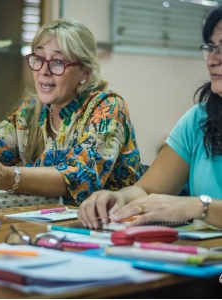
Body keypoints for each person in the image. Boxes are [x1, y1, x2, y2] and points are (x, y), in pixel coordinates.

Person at [0, 18, 144, 206]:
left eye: (57, 62)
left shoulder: (107, 107)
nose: (44, 70)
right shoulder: (29, 111)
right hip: (45, 220)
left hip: (107, 227)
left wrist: (8, 176)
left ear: (84, 73)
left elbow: (80, 177)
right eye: (38, 58)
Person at [77, 6, 222, 228]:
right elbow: (147, 190)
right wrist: (119, 198)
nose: (212, 60)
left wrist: (198, 207)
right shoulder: (198, 119)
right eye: (211, 48)